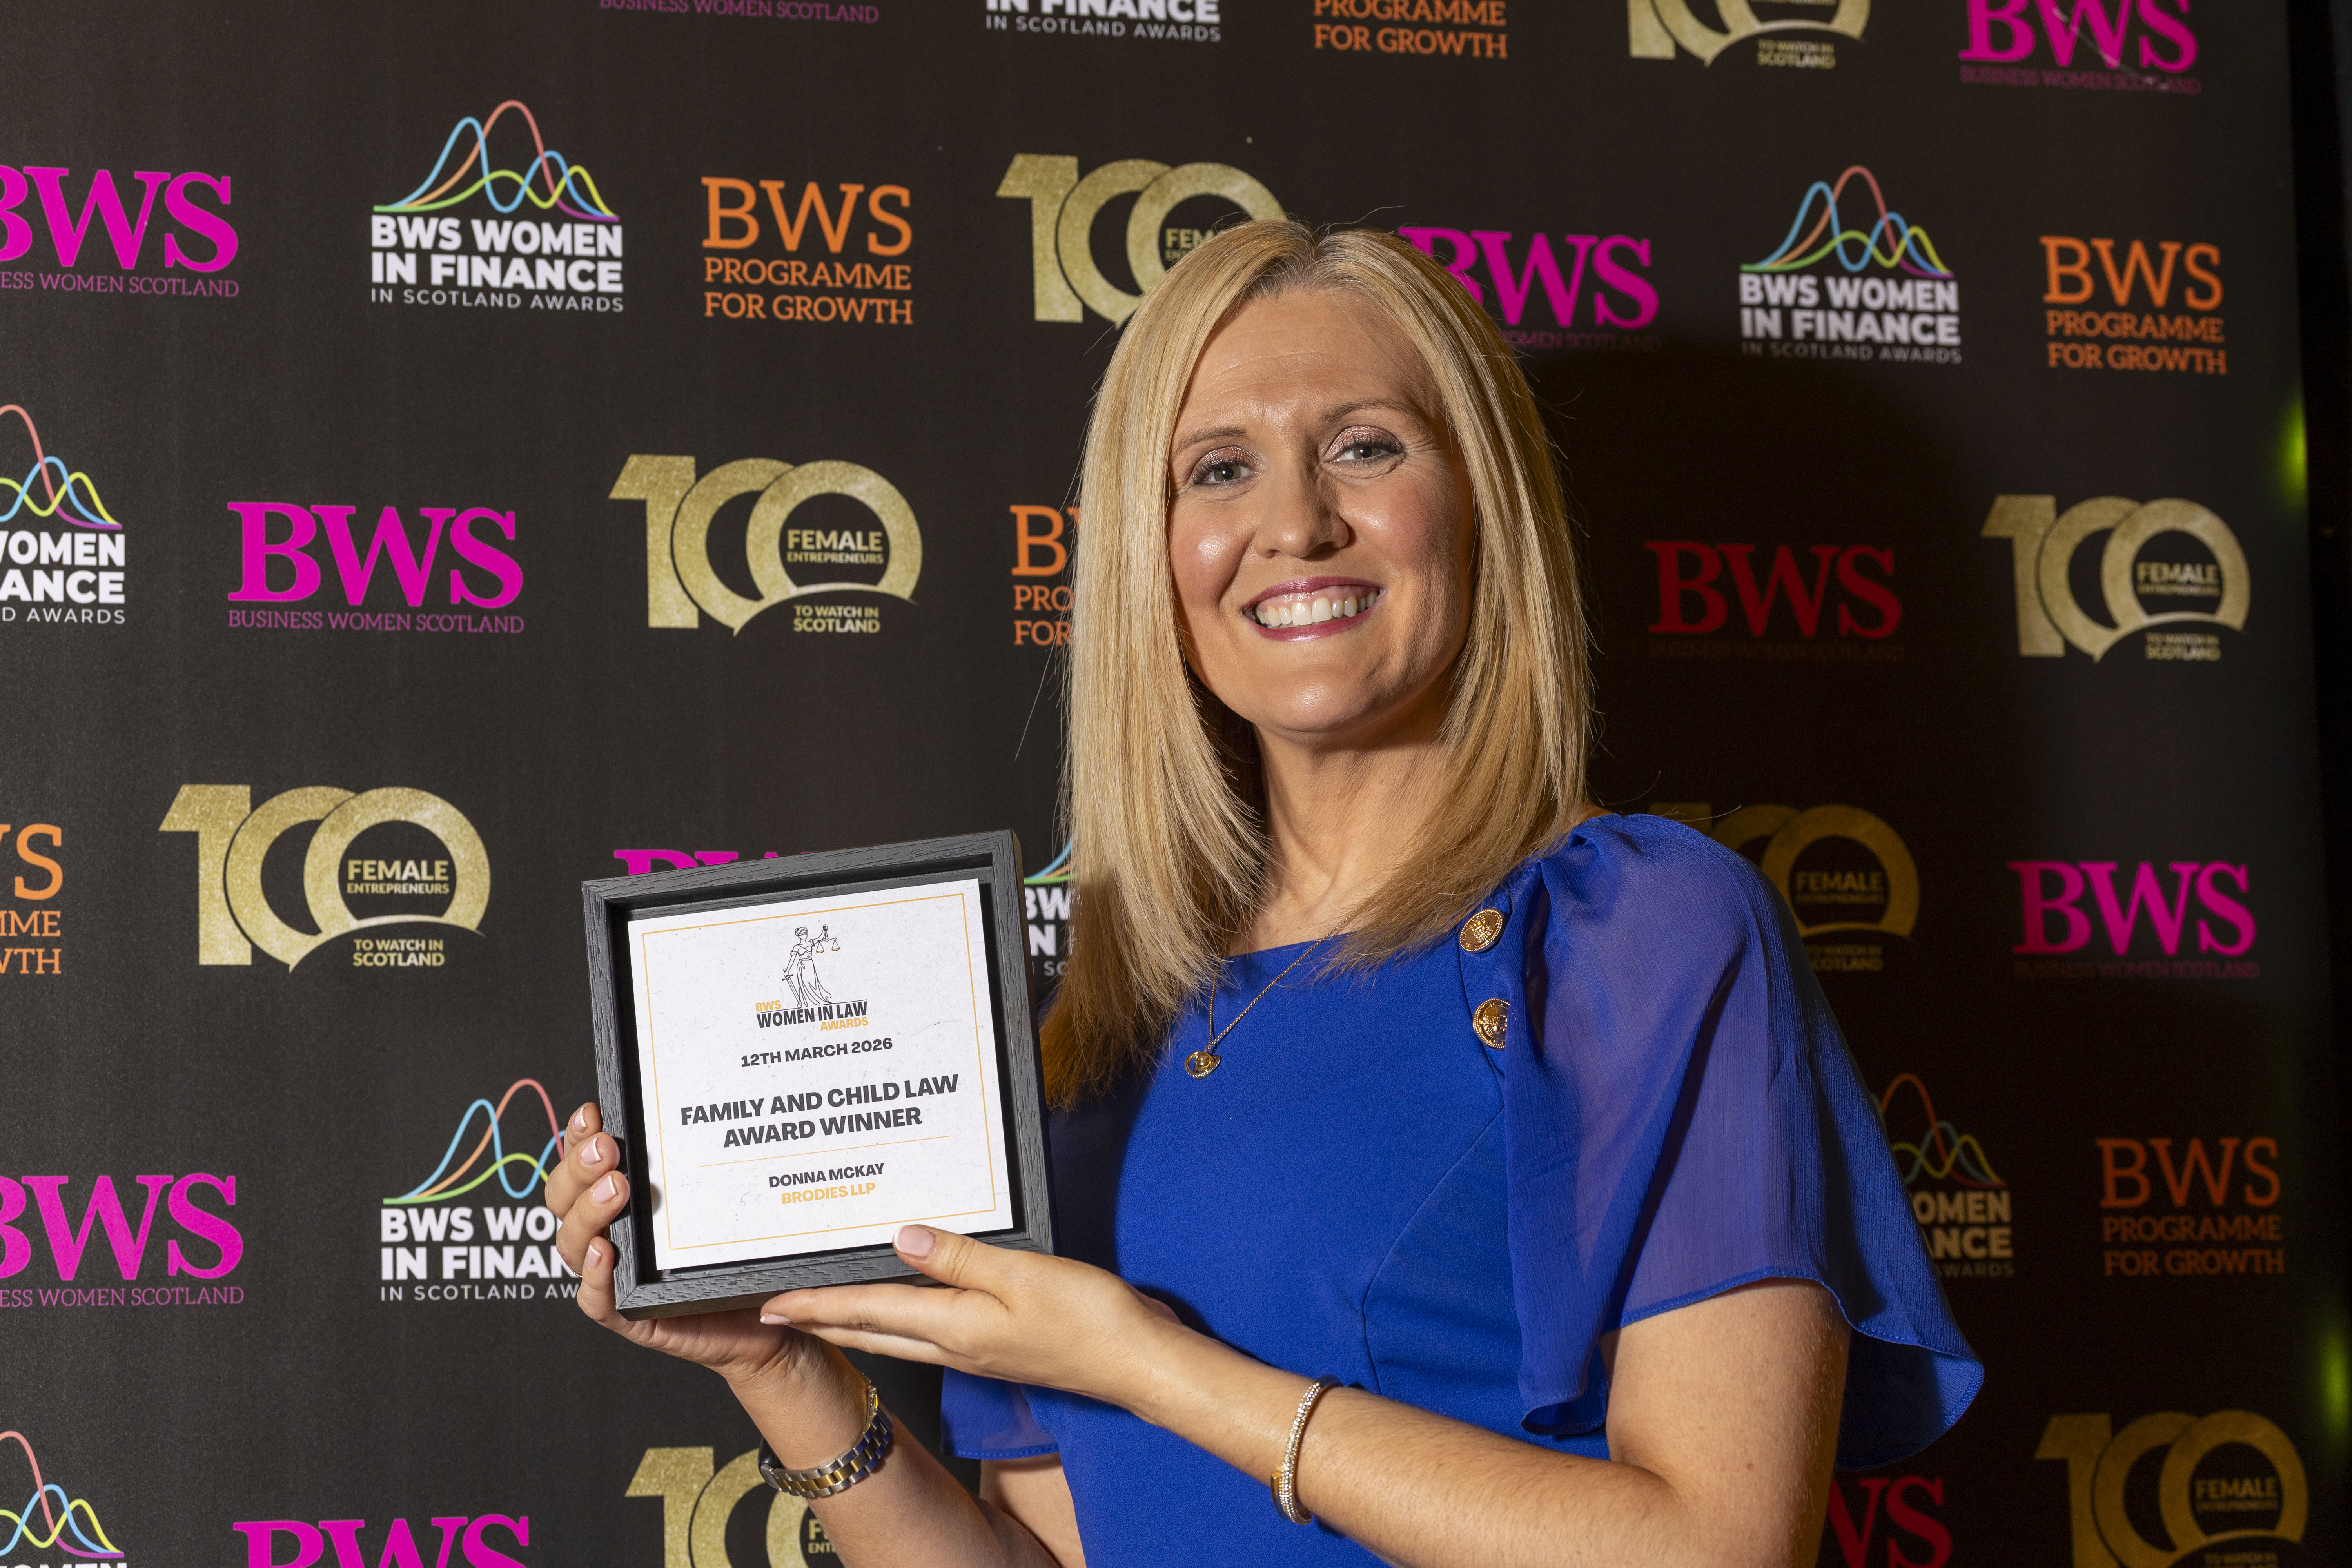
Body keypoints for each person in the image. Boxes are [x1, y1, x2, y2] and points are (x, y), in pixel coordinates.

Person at [547, 220, 1979, 1568]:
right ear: (1153, 552)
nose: (1295, 522)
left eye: (1365, 448)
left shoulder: (1639, 933)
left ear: (1479, 508)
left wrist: (1148, 1365)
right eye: (1219, 469)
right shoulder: (1094, 1034)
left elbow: (1716, 1548)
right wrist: (779, 1368)